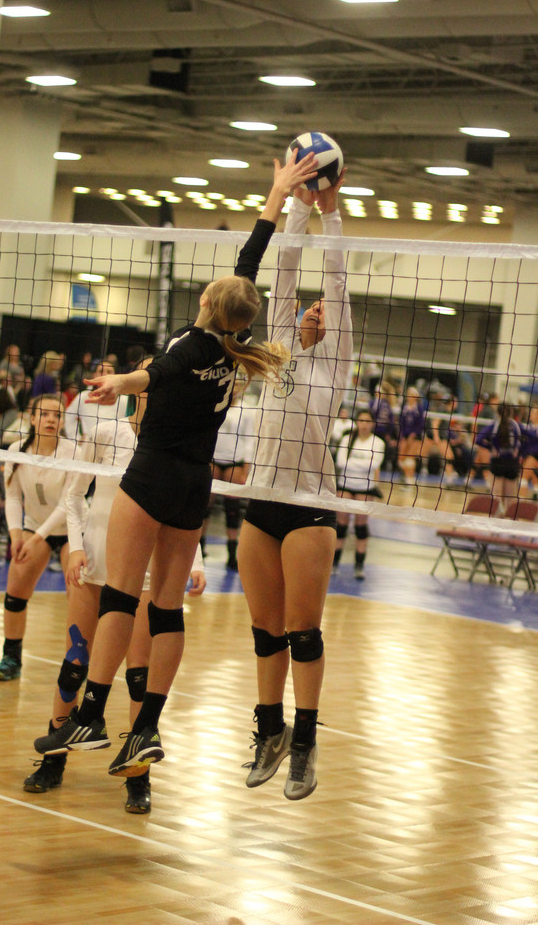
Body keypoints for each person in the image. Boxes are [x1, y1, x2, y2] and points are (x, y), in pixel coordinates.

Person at [34, 150, 319, 780]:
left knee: (119, 597)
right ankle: (146, 729)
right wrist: (277, 196)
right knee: (165, 609)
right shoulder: (235, 343)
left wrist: (120, 383)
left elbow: (156, 373)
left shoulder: (192, 344)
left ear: (208, 301)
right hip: (196, 485)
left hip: (153, 475)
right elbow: (251, 260)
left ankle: (92, 716)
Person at [26, 359, 205, 814]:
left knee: (138, 674)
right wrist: (76, 548)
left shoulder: (173, 446)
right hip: (96, 564)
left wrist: (196, 561)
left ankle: (137, 776)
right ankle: (53, 759)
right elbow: (74, 495)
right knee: (75, 661)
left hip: (143, 575)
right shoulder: (106, 433)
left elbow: (183, 512)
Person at [237, 171, 352, 802]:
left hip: (309, 506)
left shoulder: (335, 362)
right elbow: (284, 272)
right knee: (265, 629)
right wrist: (298, 209)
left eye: (323, 310)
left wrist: (331, 213)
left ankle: (305, 744)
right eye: (309, 307)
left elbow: (334, 280)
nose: (314, 309)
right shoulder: (276, 350)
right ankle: (270, 731)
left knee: (302, 629)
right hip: (262, 501)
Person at [0, 394, 80, 682]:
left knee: (78, 594)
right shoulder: (16, 450)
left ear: (62, 421)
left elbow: (67, 504)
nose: (51, 419)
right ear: (32, 419)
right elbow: (12, 497)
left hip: (73, 530)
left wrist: (34, 539)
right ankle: (11, 658)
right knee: (16, 586)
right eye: (44, 414)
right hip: (34, 526)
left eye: (57, 415)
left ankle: (77, 663)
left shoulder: (74, 452)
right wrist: (16, 534)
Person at [201, 383, 256, 570]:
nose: (235, 388)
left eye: (239, 385)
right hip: (212, 459)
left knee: (232, 508)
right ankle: (200, 549)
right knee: (204, 506)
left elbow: (250, 440)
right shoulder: (213, 403)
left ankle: (232, 554)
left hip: (234, 462)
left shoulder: (247, 410)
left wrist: (246, 468)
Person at [333, 410, 386, 579]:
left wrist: (352, 463)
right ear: (356, 422)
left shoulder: (377, 443)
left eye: (367, 421)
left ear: (372, 423)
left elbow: (374, 465)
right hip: (345, 485)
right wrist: (362, 464)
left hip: (365, 487)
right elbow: (340, 462)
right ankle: (334, 564)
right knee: (341, 525)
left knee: (361, 526)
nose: (364, 424)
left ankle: (359, 566)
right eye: (361, 420)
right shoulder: (347, 439)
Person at [474, 401, 522, 515]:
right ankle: (510, 522)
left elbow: (478, 439)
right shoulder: (517, 426)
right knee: (510, 502)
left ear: (497, 412)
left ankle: (496, 522)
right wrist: (521, 451)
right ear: (511, 412)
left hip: (497, 463)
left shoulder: (494, 425)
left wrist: (491, 447)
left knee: (497, 500)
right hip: (512, 464)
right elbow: (532, 437)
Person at [63, 358, 118, 440]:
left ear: (116, 375)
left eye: (109, 372)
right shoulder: (83, 397)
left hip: (113, 445)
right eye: (101, 371)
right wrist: (76, 438)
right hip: (89, 443)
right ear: (94, 375)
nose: (105, 374)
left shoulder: (123, 400)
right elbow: (68, 417)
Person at [397, 386, 427, 483]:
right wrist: (402, 436)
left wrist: (413, 434)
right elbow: (401, 422)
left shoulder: (419, 408)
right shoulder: (404, 407)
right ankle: (407, 475)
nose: (409, 396)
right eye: (408, 394)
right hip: (405, 435)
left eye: (411, 395)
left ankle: (410, 477)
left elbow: (421, 424)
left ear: (415, 397)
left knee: (410, 457)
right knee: (401, 458)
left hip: (416, 436)